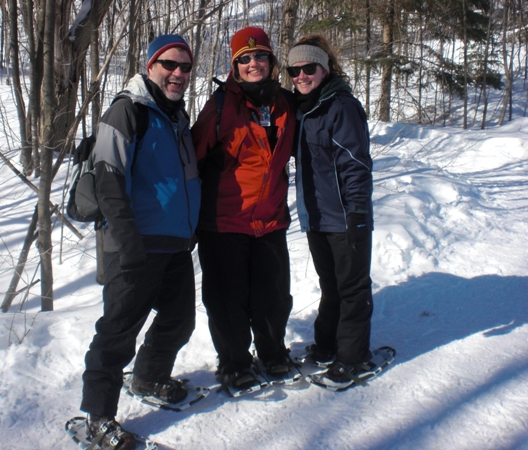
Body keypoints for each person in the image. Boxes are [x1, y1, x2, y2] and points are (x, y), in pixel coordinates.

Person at [79, 34, 200, 449]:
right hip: (133, 245)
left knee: (180, 320)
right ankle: (97, 418)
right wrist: (127, 243)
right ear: (150, 66)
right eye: (170, 64)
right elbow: (108, 180)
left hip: (174, 243)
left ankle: (148, 376)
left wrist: (191, 228)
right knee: (116, 334)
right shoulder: (126, 111)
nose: (178, 73)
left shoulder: (177, 117)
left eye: (185, 67)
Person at [191, 27, 296, 391]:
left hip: (270, 220)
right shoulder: (219, 107)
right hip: (223, 222)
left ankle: (272, 353)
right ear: (235, 66)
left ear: (272, 61)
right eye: (245, 59)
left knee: (273, 296)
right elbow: (190, 157)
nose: (254, 63)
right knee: (227, 300)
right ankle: (235, 362)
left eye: (261, 56)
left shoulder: (286, 104)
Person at [287, 35, 374, 387]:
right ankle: (327, 344)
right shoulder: (303, 108)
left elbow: (355, 162)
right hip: (316, 216)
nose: (302, 75)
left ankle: (354, 358)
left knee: (352, 287)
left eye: (310, 68)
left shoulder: (340, 106)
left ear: (325, 69)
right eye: (295, 70)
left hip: (345, 217)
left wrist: (357, 213)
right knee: (331, 285)